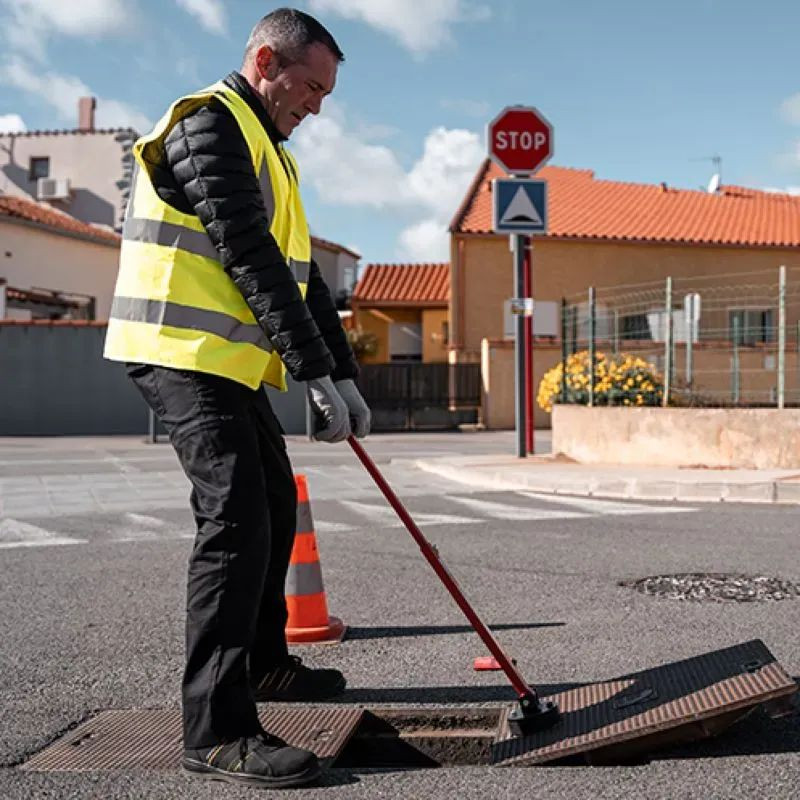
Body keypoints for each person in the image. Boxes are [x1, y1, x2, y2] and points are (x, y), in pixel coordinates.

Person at [103, 7, 370, 789]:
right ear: (266, 60)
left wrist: (342, 371)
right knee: (235, 520)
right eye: (311, 86)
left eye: (325, 92)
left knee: (275, 504)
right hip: (175, 351)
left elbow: (301, 275)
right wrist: (313, 375)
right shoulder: (207, 127)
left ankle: (266, 667)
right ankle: (217, 732)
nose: (317, 105)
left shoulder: (273, 154)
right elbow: (246, 254)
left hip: (224, 363)